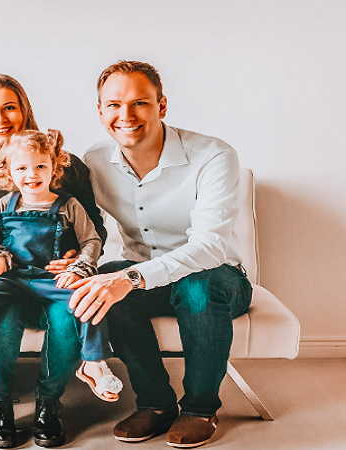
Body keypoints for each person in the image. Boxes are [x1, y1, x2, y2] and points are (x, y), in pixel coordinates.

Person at [68, 61, 253, 449]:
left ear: (161, 105)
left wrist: (131, 278)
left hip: (218, 277)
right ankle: (155, 405)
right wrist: (74, 258)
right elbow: (86, 224)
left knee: (197, 288)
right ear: (100, 111)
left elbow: (210, 246)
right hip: (144, 274)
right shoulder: (95, 159)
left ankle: (200, 410)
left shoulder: (213, 155)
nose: (126, 115)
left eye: (139, 103)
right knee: (105, 284)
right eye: (114, 104)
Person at [0, 75, 107, 448]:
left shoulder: (64, 165)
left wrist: (76, 259)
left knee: (67, 321)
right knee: (0, 320)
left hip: (55, 282)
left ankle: (50, 401)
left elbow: (93, 230)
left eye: (9, 108)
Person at [0, 129, 122, 406]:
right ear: (7, 171)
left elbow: (91, 240)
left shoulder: (69, 205)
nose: (32, 174)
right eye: (21, 168)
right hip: (12, 276)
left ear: (54, 167)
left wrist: (78, 268)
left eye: (40, 166)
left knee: (87, 299)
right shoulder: (4, 205)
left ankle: (94, 363)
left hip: (53, 278)